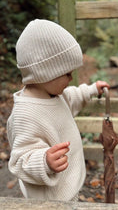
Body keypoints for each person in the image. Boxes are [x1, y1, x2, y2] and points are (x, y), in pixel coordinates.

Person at [7, 19, 110, 201]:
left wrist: (92, 90)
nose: (71, 79)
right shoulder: (26, 114)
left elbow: (72, 96)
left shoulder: (55, 95)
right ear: (45, 73)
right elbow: (20, 160)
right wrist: (44, 161)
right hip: (48, 199)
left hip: (66, 187)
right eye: (67, 74)